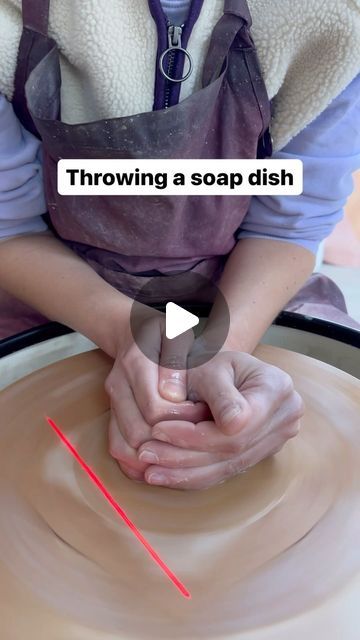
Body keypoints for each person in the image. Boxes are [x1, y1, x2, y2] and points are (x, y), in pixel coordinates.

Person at [0, 0, 359, 489]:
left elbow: (287, 226)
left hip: (238, 281)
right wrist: (125, 331)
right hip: (52, 282)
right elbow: (9, 226)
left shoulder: (337, 17)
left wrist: (221, 350)